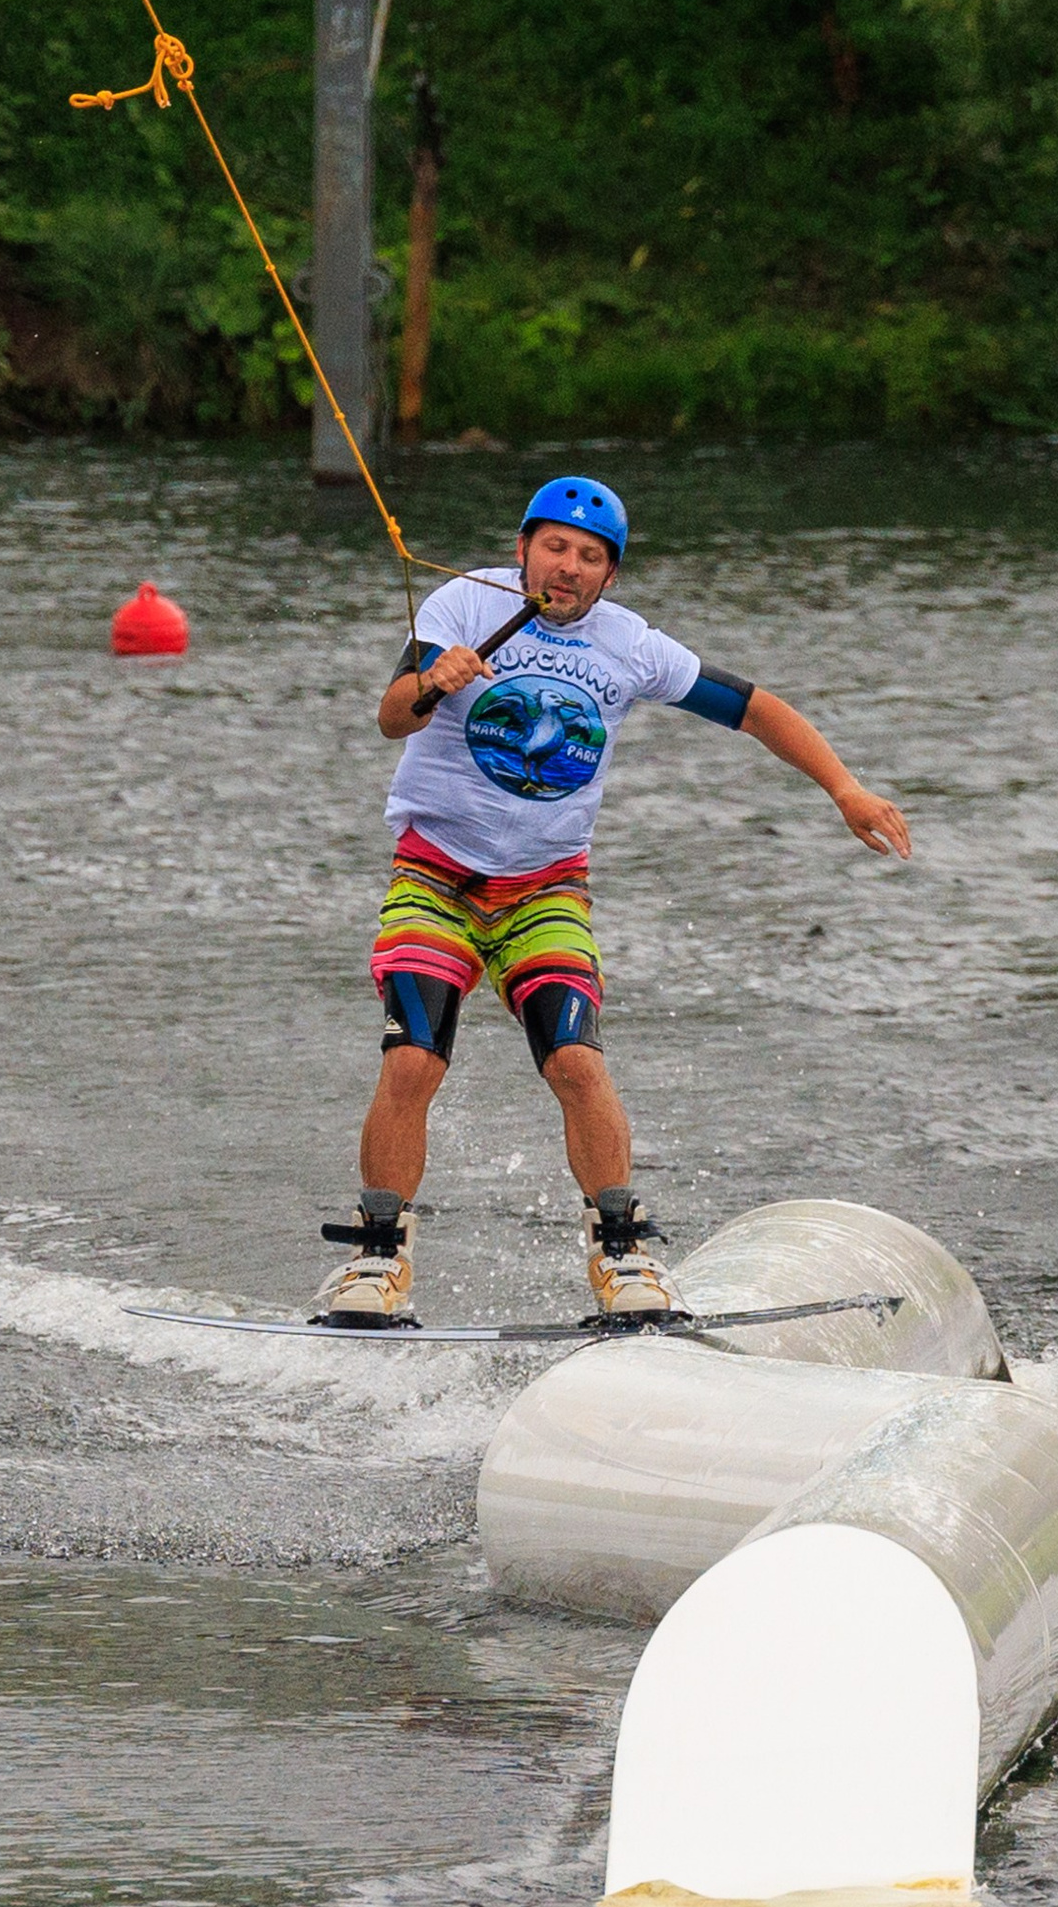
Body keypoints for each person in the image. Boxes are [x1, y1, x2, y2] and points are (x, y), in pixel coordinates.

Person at [319, 478, 912, 1327]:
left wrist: (844, 788)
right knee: (413, 1058)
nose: (569, 566)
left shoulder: (629, 645)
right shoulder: (462, 606)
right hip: (436, 879)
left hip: (545, 890)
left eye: (590, 557)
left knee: (575, 1060)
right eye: (555, 547)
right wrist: (434, 680)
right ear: (523, 550)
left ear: (610, 575)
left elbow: (754, 710)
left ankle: (624, 1256)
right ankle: (377, 1261)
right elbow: (391, 718)